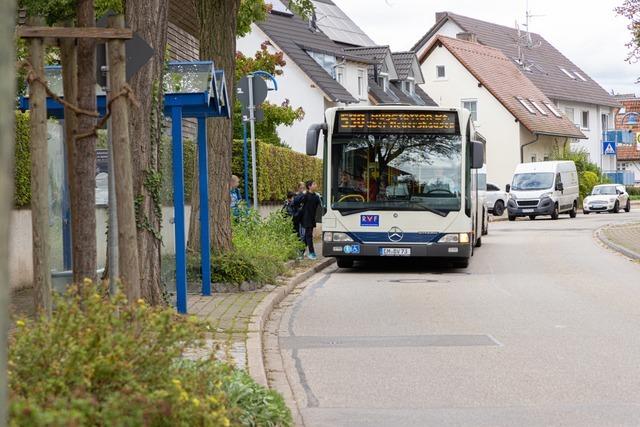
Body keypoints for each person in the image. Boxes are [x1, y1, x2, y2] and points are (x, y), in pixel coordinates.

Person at [299, 180, 321, 260]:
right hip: (306, 218)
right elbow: (298, 202)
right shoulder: (305, 196)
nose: (316, 185)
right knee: (308, 236)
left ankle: (302, 253)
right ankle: (311, 253)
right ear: (309, 186)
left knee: (306, 237)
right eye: (314, 184)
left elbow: (321, 206)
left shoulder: (316, 196)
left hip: (312, 218)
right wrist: (302, 194)